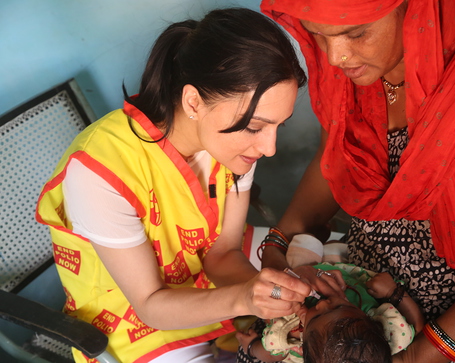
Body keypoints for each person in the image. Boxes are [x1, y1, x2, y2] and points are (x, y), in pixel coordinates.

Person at [254, 0, 455, 362]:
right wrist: (277, 246)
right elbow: (338, 159)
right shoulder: (360, 72)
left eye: (356, 33)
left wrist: (416, 356)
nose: (335, 58)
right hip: (357, 298)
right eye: (318, 36)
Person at [35, 7, 311, 363]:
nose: (269, 148)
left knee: (328, 266)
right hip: (135, 320)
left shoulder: (230, 143)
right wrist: (246, 299)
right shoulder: (100, 171)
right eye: (256, 127)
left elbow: (223, 253)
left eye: (279, 126)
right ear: (194, 102)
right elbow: (150, 304)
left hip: (202, 276)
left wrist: (276, 299)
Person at [236, 260, 425, 363]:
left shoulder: (291, 336)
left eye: (317, 315)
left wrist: (251, 347)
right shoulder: (390, 331)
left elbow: (270, 353)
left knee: (299, 250)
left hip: (301, 273)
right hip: (335, 268)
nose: (323, 304)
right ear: (370, 319)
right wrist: (395, 293)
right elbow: (416, 326)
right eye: (340, 306)